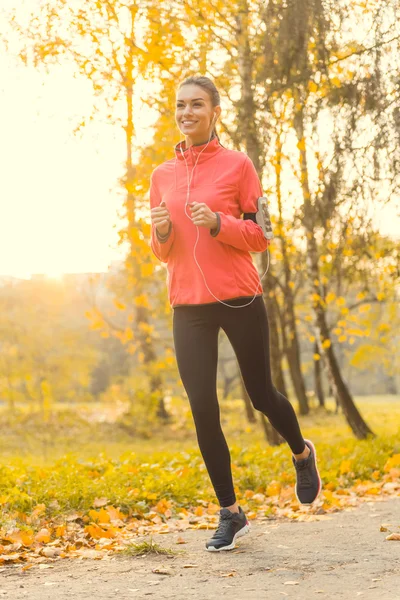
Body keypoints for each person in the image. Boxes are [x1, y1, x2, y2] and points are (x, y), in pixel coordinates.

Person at [149, 75, 321, 552]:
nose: (187, 112)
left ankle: (302, 453)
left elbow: (262, 234)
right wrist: (162, 233)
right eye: (180, 105)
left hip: (239, 296)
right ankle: (230, 512)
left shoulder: (238, 165)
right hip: (188, 306)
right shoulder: (161, 175)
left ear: (215, 111)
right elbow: (162, 254)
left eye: (196, 104)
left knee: (261, 395)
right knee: (203, 409)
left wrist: (220, 223)